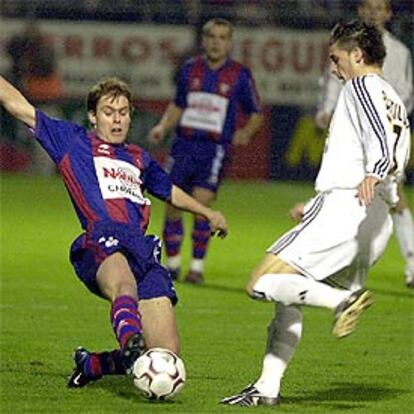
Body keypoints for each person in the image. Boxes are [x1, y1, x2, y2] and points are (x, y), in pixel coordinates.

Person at [221, 20, 411, 407]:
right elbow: (392, 157)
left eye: (336, 58)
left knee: (260, 282)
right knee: (288, 295)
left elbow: (380, 146)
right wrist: (318, 203)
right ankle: (266, 388)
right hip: (375, 219)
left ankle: (341, 302)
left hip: (346, 210)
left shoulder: (360, 85)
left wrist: (374, 171)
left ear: (357, 55)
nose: (333, 67)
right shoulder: (394, 99)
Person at [0, 75, 228, 387]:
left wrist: (206, 212)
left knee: (166, 353)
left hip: (143, 250)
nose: (117, 119)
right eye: (109, 112)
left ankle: (93, 364)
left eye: (123, 112)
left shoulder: (138, 157)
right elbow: (18, 105)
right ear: (93, 116)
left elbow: (169, 191)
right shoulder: (73, 142)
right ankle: (129, 339)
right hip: (102, 237)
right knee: (124, 287)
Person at [148, 18, 262, 284]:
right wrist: (163, 126)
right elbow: (178, 104)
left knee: (202, 204)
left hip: (214, 150)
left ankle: (197, 267)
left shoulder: (239, 75)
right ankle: (173, 265)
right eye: (211, 36)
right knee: (172, 202)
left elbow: (255, 113)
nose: (215, 42)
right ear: (203, 39)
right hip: (183, 145)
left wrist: (244, 133)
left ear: (229, 42)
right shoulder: (190, 69)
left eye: (222, 37)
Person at [315, 0, 414, 288]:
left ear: (388, 13)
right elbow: (333, 80)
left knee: (395, 197)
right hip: (350, 130)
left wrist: (387, 118)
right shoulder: (345, 46)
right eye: (368, 7)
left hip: (380, 134)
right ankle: (340, 265)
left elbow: (406, 93)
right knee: (347, 192)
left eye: (379, 7)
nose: (373, 12)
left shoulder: (400, 52)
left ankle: (410, 263)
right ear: (360, 11)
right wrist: (326, 109)